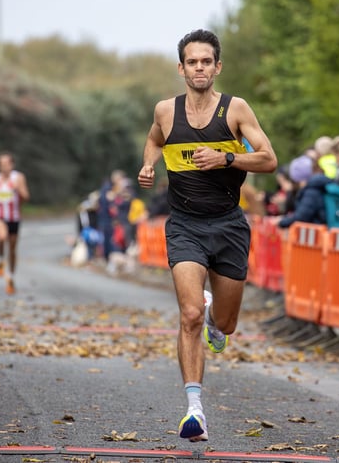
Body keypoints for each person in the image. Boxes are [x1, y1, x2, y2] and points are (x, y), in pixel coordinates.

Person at [137, 29, 277, 442]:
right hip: (184, 225)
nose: (199, 68)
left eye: (206, 62)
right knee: (190, 314)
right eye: (192, 62)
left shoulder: (235, 110)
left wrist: (227, 157)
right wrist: (148, 166)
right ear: (181, 68)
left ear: (218, 67)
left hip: (229, 225)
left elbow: (268, 159)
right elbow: (153, 139)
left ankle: (219, 318)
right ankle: (194, 409)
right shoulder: (166, 111)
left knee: (226, 324)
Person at [0, 151, 30, 295]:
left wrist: (18, 190)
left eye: (6, 164)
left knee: (13, 249)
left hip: (14, 217)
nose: (4, 167)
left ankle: (11, 277)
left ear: (12, 165)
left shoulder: (18, 178)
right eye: (1, 164)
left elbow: (26, 197)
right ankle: (1, 259)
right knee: (2, 237)